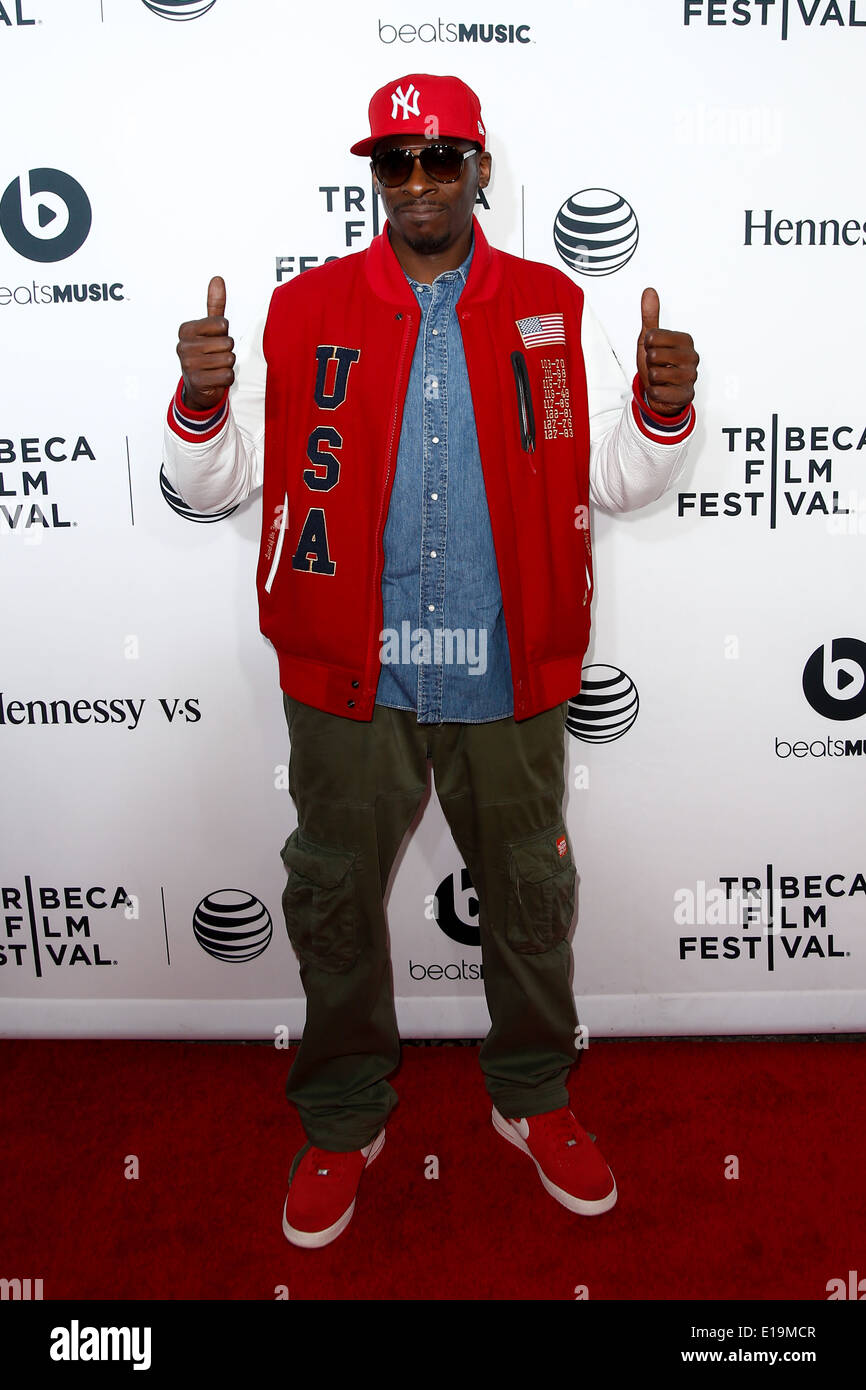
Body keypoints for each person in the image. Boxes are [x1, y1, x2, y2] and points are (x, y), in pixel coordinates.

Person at [163, 72, 699, 1250]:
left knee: (526, 894)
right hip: (353, 672)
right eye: (395, 162)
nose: (417, 182)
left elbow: (606, 476)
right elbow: (211, 481)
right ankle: (343, 1115)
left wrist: (661, 414)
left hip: (506, 666)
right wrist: (201, 402)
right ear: (373, 178)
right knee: (335, 901)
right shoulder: (301, 313)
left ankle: (530, 1099)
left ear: (478, 173)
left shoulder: (550, 306)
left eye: (440, 160)